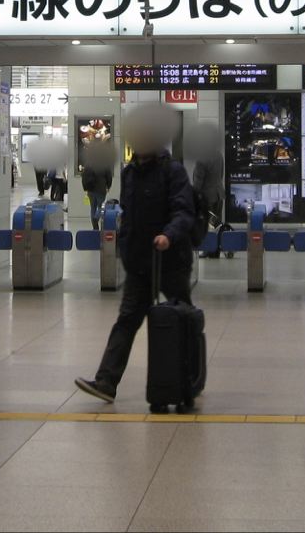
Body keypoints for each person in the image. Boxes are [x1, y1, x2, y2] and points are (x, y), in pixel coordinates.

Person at [75, 105, 196, 404]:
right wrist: (125, 248)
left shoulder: (174, 171)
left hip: (171, 262)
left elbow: (184, 211)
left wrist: (168, 235)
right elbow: (128, 216)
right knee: (127, 319)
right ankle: (106, 381)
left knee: (183, 320)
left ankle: (191, 376)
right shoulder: (129, 174)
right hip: (140, 263)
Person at [80, 158, 113, 231]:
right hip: (100, 190)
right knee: (101, 208)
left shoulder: (89, 163)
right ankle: (96, 219)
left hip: (90, 190)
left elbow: (84, 175)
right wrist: (108, 186)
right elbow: (109, 177)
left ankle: (95, 228)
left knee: (93, 208)